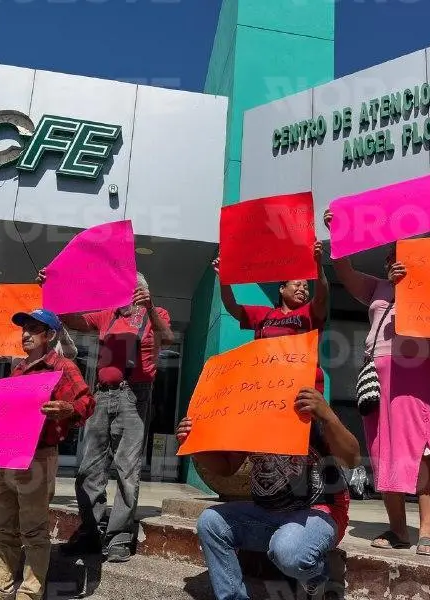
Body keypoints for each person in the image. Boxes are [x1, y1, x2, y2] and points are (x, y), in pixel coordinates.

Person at [323, 171, 430, 557]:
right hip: (383, 378)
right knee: (385, 449)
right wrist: (339, 232)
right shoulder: (378, 287)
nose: (396, 256)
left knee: (428, 450)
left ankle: (429, 531)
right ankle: (398, 529)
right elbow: (344, 271)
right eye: (392, 253)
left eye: (405, 250)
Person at [0, 309, 95, 600]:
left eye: (33, 329)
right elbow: (2, 414)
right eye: (24, 329)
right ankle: (1, 586)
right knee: (4, 526)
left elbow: (87, 402)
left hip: (38, 458)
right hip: (6, 458)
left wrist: (69, 409)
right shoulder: (17, 370)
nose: (26, 334)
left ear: (50, 335)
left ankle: (30, 591)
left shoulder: (62, 367)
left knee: (33, 529)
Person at [37, 271, 174, 562]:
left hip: (134, 395)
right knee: (89, 468)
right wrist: (52, 288)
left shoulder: (156, 313)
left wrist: (149, 307)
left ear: (139, 291)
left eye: (126, 288)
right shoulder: (107, 314)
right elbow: (72, 320)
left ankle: (119, 537)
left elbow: (167, 339)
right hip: (102, 394)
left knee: (127, 469)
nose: (119, 292)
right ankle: (90, 532)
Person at [177, 386, 360, 600]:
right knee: (211, 522)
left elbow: (352, 459)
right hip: (267, 513)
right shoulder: (252, 417)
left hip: (320, 512)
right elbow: (227, 468)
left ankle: (320, 580)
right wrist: (193, 443)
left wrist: (328, 416)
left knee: (289, 551)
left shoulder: (313, 416)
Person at [212, 241, 328, 392]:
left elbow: (321, 296)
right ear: (282, 289)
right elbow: (231, 306)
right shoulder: (264, 314)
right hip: (268, 388)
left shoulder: (310, 313)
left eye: (306, 288)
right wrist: (223, 277)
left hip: (303, 387)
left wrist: (318, 264)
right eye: (297, 285)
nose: (303, 290)